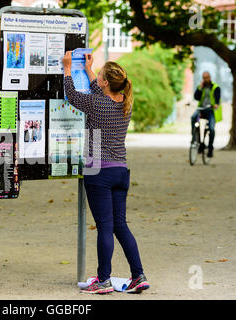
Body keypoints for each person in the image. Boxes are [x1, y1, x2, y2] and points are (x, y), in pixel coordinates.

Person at [62, 51, 149, 294]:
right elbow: (100, 93)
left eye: (99, 75)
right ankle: (138, 275)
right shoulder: (125, 103)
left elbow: (72, 96)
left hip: (98, 169)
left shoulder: (96, 103)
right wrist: (90, 69)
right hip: (121, 169)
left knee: (104, 226)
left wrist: (68, 68)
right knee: (120, 225)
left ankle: (103, 280)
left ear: (106, 82)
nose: (97, 77)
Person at [192, 71, 221, 158]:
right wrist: (200, 88)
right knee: (193, 117)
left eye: (207, 78)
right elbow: (196, 97)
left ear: (210, 77)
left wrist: (216, 104)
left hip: (210, 110)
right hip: (201, 109)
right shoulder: (201, 87)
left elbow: (217, 98)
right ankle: (194, 138)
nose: (205, 80)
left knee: (211, 129)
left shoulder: (215, 87)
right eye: (204, 78)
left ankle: (210, 148)